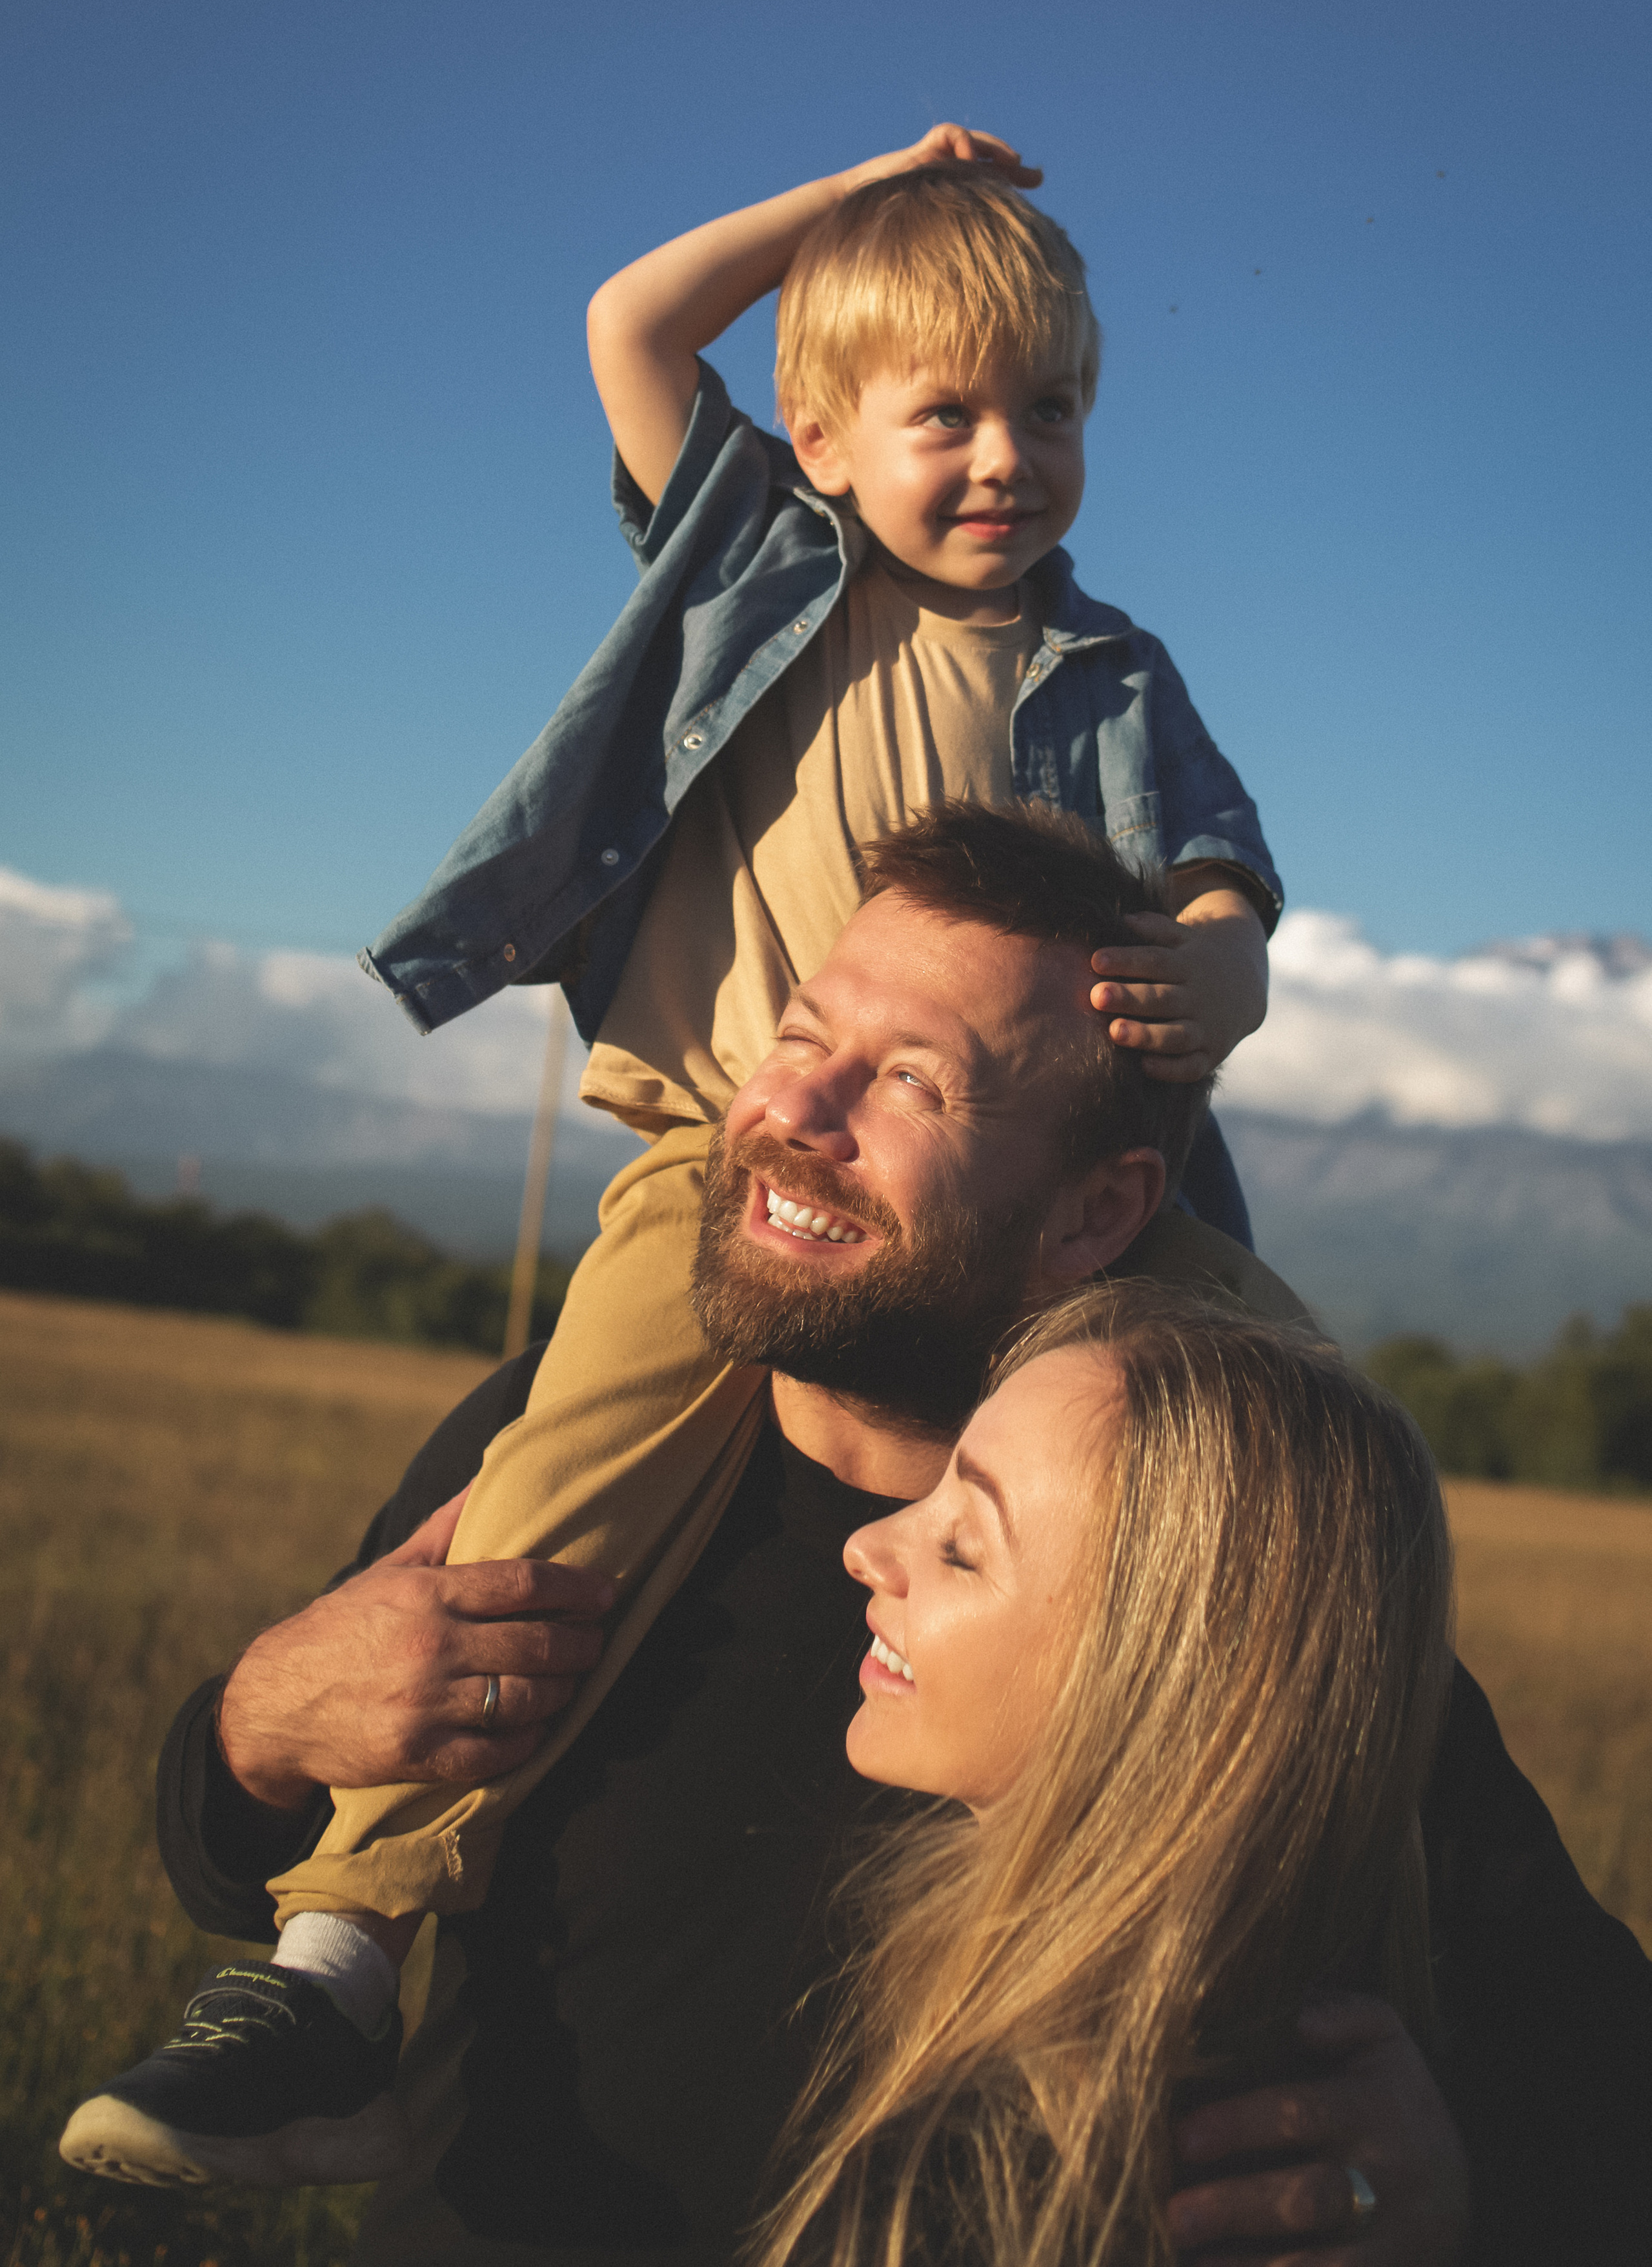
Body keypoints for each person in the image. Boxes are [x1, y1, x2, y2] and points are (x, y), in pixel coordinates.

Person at [85, 130, 1285, 2097]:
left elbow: (1216, 871)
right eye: (946, 411)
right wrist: (874, 198)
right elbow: (633, 318)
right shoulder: (755, 561)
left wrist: (1226, 969)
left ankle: (1191, 1983)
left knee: (1293, 1468)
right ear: (817, 438)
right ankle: (347, 1944)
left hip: (1051, 1210)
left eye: (1050, 408)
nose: (1007, 456)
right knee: (540, 1505)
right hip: (718, 1165)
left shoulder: (1110, 671)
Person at [63, 807, 1651, 2262]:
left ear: (1098, 1215)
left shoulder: (1216, 1585)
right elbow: (244, 1846)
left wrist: (1461, 2187)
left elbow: (1589, 2060)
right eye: (803, 1038)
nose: (790, 1111)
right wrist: (261, 1729)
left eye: (911, 1080)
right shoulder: (550, 1445)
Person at [754, 1284, 1457, 2267]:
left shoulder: (1002, 2184)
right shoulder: (1307, 2058)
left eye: (963, 1549)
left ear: (1154, 1682)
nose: (867, 1547)